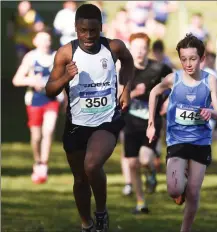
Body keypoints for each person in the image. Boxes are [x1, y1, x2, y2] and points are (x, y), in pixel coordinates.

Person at [45, 4, 134, 232]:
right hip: (76, 124)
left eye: (93, 30)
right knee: (80, 180)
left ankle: (101, 212)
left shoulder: (113, 47)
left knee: (92, 165)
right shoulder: (66, 53)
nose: (88, 36)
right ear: (75, 28)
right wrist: (66, 76)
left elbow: (128, 61)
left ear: (101, 28)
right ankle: (87, 224)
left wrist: (126, 89)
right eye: (83, 30)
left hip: (106, 120)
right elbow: (49, 90)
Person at [147, 33, 217, 232]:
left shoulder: (211, 81)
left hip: (200, 142)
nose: (188, 64)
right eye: (183, 59)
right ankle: (180, 182)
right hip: (177, 141)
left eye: (192, 59)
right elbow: (155, 92)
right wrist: (151, 123)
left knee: (193, 192)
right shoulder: (174, 79)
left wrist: (211, 112)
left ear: (202, 58)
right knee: (174, 189)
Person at [121, 32, 172, 213]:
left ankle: (151, 172)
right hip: (130, 122)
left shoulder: (160, 68)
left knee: (144, 159)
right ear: (130, 49)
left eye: (143, 48)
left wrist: (167, 101)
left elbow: (176, 85)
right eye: (136, 48)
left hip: (152, 120)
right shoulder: (123, 70)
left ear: (148, 49)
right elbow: (116, 98)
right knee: (132, 163)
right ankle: (140, 202)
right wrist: (134, 93)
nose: (140, 52)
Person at [12, 31, 64, 184]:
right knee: (36, 136)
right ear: (35, 42)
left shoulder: (57, 56)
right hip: (35, 100)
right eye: (42, 40)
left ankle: (44, 165)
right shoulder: (31, 57)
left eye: (48, 39)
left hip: (52, 100)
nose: (46, 43)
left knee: (48, 131)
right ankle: (37, 161)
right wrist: (32, 81)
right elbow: (17, 80)